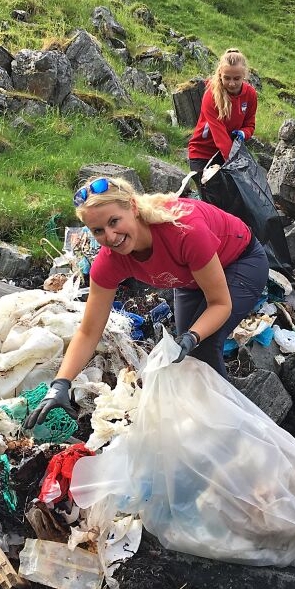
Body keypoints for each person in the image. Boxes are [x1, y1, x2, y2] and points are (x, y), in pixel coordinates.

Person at [23, 176, 269, 428]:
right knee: (184, 359)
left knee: (203, 347)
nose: (110, 236)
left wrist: (193, 336)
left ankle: (229, 429)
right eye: (98, 231)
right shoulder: (108, 263)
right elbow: (88, 331)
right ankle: (200, 423)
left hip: (240, 261)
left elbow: (219, 304)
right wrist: (60, 384)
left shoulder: (184, 231)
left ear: (132, 207)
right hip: (188, 279)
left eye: (114, 221)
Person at [187, 49, 257, 191]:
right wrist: (236, 166)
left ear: (244, 75)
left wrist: (244, 133)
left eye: (236, 78)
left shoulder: (250, 95)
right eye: (227, 78)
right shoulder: (211, 96)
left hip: (229, 153)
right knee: (213, 198)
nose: (231, 83)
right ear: (220, 74)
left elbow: (250, 124)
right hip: (203, 153)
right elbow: (221, 138)